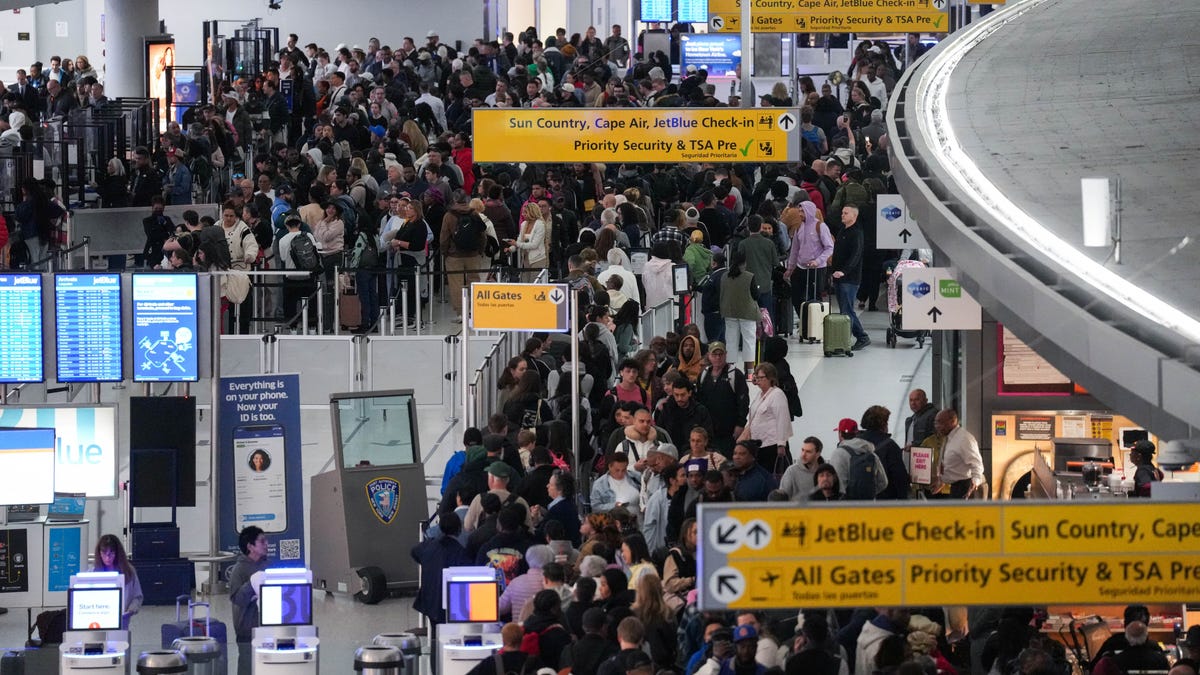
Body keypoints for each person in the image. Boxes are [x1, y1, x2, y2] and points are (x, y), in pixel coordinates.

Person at [411, 512, 473, 629]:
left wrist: (428, 564)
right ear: (459, 529)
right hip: (451, 603)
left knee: (435, 632)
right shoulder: (460, 552)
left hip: (430, 599)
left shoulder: (429, 546)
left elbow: (414, 552)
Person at [739, 363, 793, 472]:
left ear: (770, 378)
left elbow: (782, 420)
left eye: (761, 378)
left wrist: (781, 444)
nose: (758, 380)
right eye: (757, 377)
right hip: (759, 445)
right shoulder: (760, 394)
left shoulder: (777, 394)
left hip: (772, 445)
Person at [830, 204, 869, 350]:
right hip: (840, 276)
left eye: (846, 213)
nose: (842, 215)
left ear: (854, 215)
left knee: (847, 310)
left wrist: (844, 271)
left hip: (850, 278)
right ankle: (860, 336)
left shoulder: (856, 233)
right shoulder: (843, 231)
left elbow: (856, 255)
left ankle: (856, 338)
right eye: (842, 212)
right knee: (845, 310)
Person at [90, 534, 143, 629]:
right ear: (99, 553)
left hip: (122, 622)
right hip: (98, 623)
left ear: (118, 553)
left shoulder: (129, 572)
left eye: (111, 553)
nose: (107, 557)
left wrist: (131, 610)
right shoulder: (92, 573)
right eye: (104, 553)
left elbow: (137, 597)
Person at [229, 526, 270, 643]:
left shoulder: (268, 565)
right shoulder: (239, 569)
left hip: (268, 629)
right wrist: (252, 584)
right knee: (247, 661)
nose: (266, 544)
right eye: (262, 541)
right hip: (247, 633)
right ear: (250, 546)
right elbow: (237, 599)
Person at [933, 409, 985, 499]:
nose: (937, 426)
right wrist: (941, 480)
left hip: (966, 486)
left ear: (953, 421)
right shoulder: (949, 438)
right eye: (936, 423)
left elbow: (977, 464)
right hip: (955, 487)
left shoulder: (964, 439)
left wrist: (974, 483)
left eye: (940, 423)